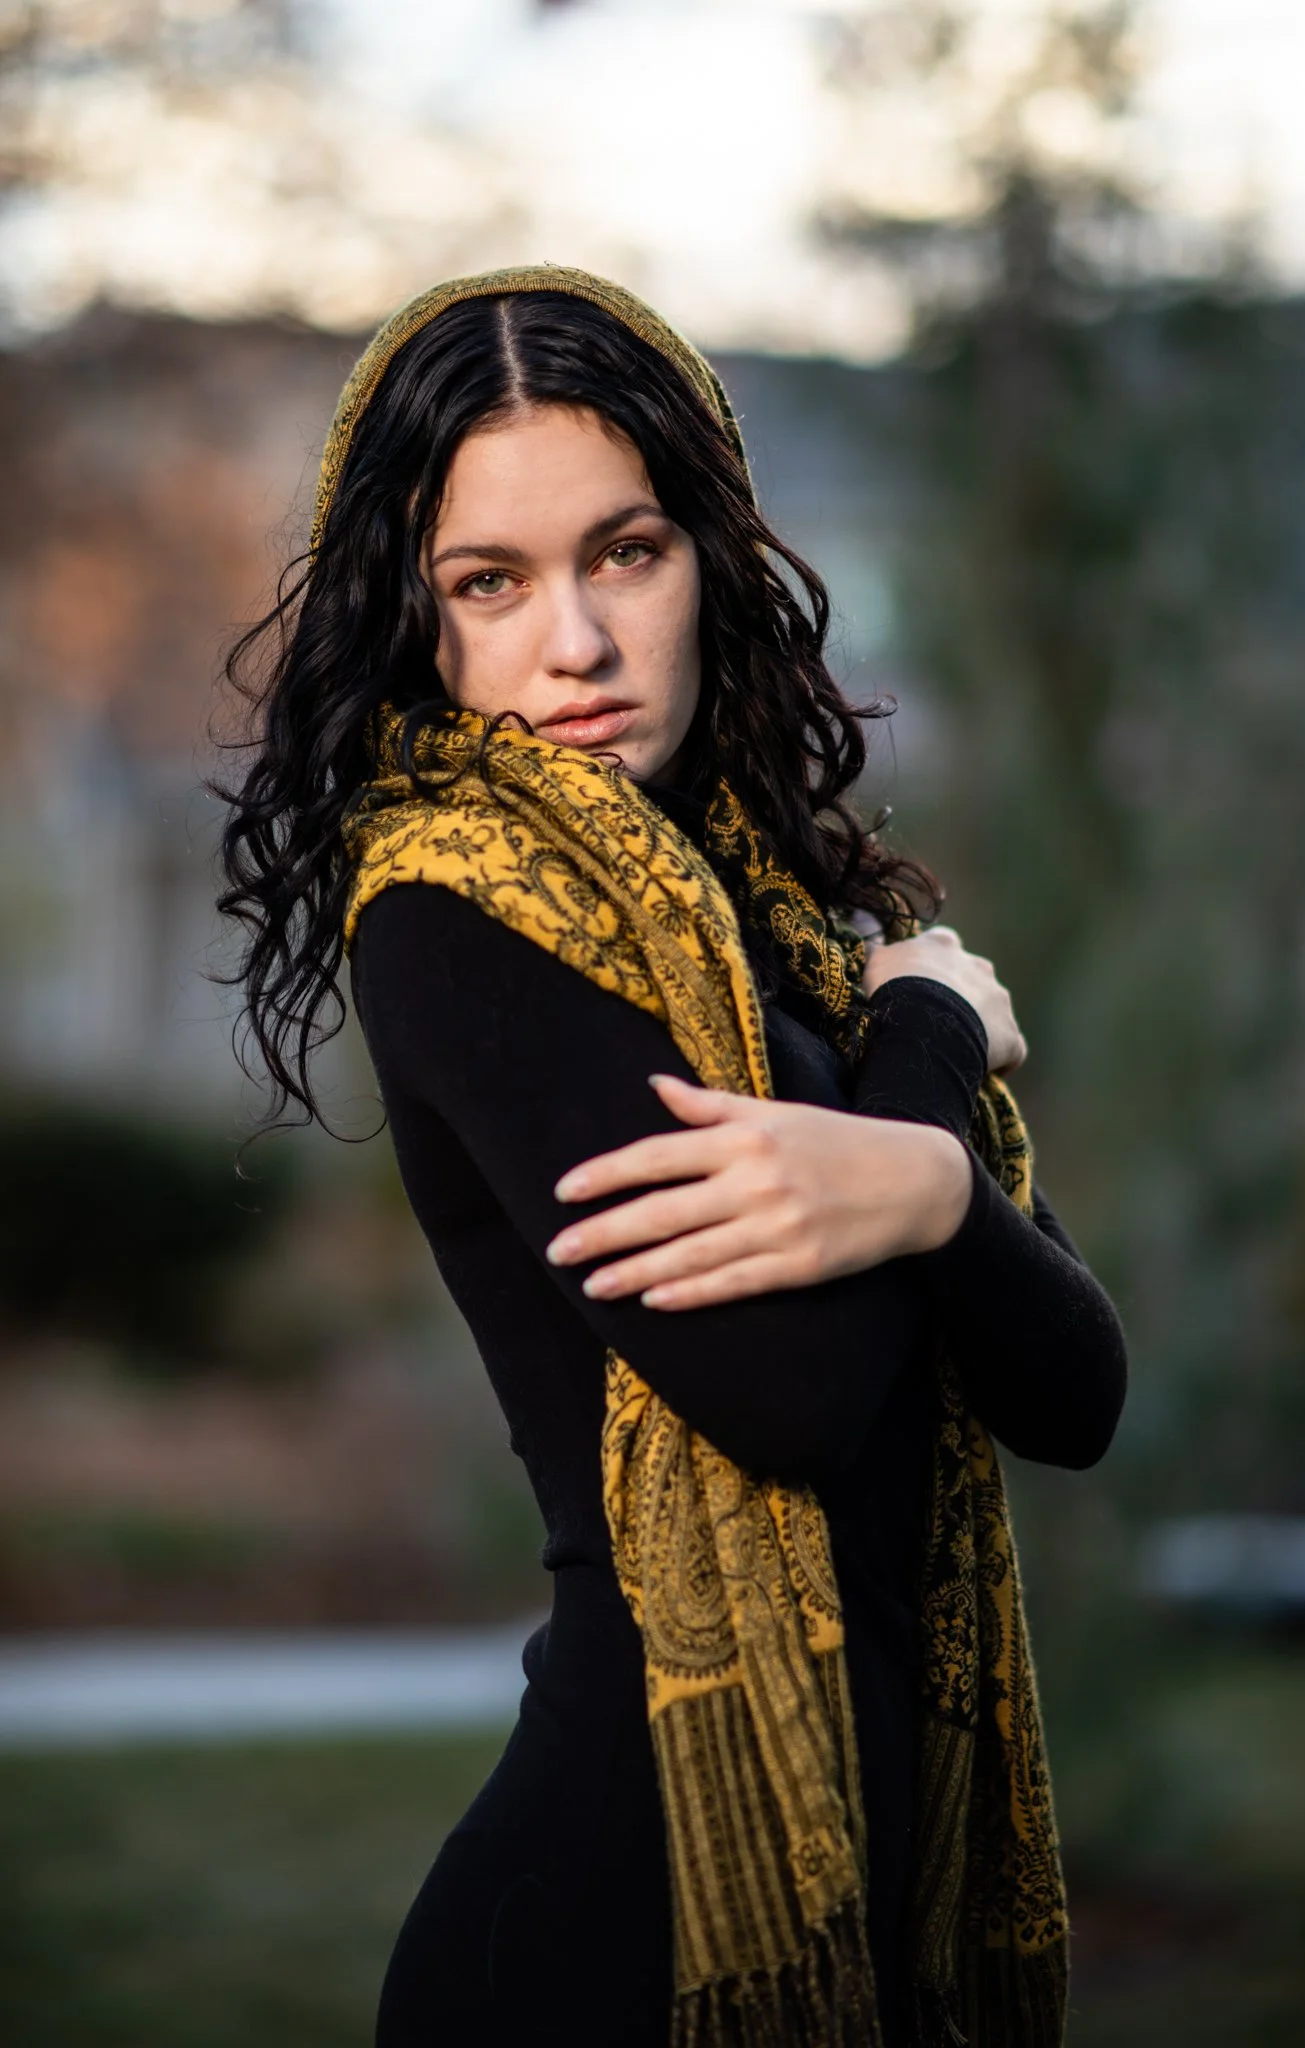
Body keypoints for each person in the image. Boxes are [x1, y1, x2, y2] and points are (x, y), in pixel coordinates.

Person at [217, 265, 1127, 2048]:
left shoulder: (781, 927)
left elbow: (1075, 1385)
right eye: (491, 581)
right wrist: (930, 1065)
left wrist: (926, 1178)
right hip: (606, 1933)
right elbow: (790, 1390)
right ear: (417, 615)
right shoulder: (456, 914)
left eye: (624, 553)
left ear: (708, 553)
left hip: (875, 1906)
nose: (576, 642)